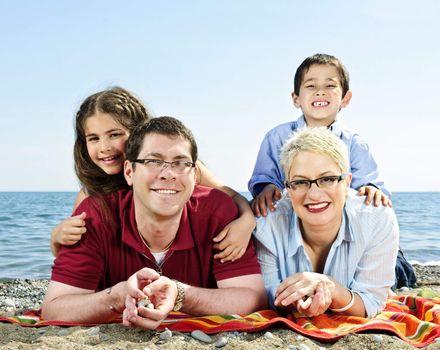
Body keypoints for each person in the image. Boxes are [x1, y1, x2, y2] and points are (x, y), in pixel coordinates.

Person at [42, 116, 267, 328]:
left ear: (194, 174)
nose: (168, 174)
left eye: (180, 163)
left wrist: (180, 294)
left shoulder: (217, 211)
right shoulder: (95, 214)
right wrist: (118, 296)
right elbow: (53, 308)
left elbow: (252, 297)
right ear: (129, 171)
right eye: (153, 161)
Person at [50, 87, 255, 263]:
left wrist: (247, 222)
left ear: (138, 131)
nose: (104, 147)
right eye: (94, 138)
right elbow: (71, 256)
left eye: (115, 135)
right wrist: (56, 238)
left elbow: (233, 196)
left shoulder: (181, 169)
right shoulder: (90, 196)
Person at [253, 127, 399, 318]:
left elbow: (371, 303)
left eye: (328, 179)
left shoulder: (377, 218)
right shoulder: (267, 226)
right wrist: (295, 302)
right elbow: (267, 297)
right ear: (287, 186)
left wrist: (334, 290)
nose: (313, 194)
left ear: (347, 183)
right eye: (300, 182)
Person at [249, 53, 390, 218]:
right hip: (287, 220)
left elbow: (367, 181)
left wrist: (371, 189)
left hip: (335, 220)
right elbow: (264, 176)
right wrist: (267, 187)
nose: (320, 92)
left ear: (345, 98)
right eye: (311, 86)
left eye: (330, 86)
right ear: (296, 99)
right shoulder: (276, 137)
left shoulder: (354, 143)